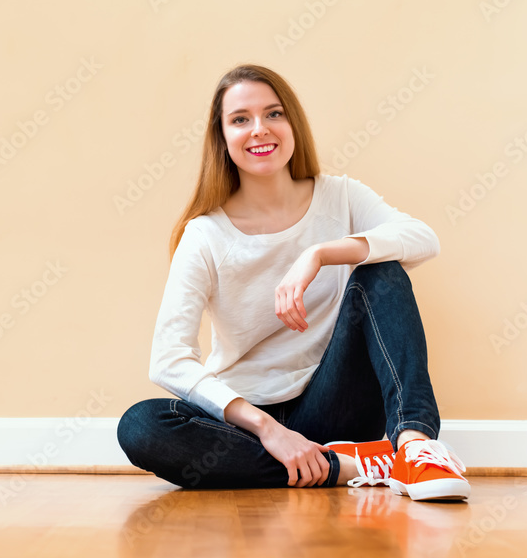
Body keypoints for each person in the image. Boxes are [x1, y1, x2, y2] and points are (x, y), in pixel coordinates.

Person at [116, 64, 469, 502]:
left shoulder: (341, 195)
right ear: (222, 137)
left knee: (383, 269)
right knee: (141, 425)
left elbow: (423, 239)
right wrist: (268, 429)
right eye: (240, 119)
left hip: (335, 404)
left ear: (292, 123)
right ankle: (348, 467)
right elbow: (168, 361)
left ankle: (415, 448)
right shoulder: (205, 234)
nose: (259, 129)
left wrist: (319, 253)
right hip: (249, 422)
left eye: (273, 114)